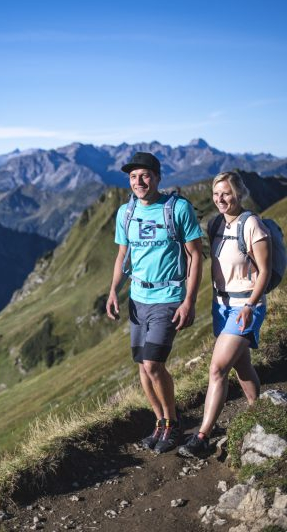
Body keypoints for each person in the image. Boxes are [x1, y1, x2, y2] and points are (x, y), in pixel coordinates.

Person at [106, 152, 204, 453]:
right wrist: (113, 291)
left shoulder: (178, 209)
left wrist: (189, 300)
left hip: (168, 297)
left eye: (145, 175)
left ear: (157, 177)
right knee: (141, 366)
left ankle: (173, 425)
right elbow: (123, 255)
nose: (139, 181)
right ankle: (160, 422)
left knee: (153, 364)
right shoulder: (126, 213)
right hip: (138, 298)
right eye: (133, 177)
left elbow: (196, 255)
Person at [179, 171, 270, 458]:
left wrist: (249, 305)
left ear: (239, 194)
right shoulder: (215, 223)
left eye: (226, 193)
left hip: (246, 305)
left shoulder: (252, 224)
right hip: (221, 306)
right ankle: (260, 412)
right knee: (241, 366)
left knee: (217, 368)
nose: (220, 199)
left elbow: (265, 271)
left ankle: (202, 436)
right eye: (216, 194)